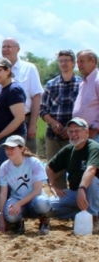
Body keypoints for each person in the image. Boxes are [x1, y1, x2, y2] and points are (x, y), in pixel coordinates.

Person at [46, 117, 99, 233]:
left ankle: (94, 218)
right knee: (47, 206)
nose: (73, 134)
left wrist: (81, 188)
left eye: (77, 131)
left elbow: (91, 170)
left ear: (87, 132)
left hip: (92, 193)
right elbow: (49, 167)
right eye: (70, 131)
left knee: (93, 180)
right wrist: (52, 185)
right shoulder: (69, 150)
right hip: (76, 193)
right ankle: (81, 213)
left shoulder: (93, 147)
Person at [0, 38, 44, 153]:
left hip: (23, 122)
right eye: (3, 47)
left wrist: (32, 125)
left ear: (18, 49)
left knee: (25, 158)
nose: (5, 49)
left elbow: (36, 97)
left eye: (9, 46)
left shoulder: (29, 68)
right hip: (1, 125)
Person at [40, 50, 80, 190]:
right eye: (61, 60)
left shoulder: (81, 84)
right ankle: (61, 202)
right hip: (53, 135)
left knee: (77, 169)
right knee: (56, 170)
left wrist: (70, 128)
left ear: (74, 63)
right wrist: (53, 122)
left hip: (75, 134)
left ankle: (77, 201)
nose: (63, 63)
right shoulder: (51, 84)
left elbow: (84, 111)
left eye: (66, 60)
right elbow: (43, 110)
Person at [0, 135, 51, 234]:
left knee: (43, 203)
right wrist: (1, 217)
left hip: (34, 199)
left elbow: (37, 190)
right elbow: (3, 194)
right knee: (9, 214)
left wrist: (19, 204)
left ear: (22, 148)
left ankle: (44, 221)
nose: (9, 151)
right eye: (7, 148)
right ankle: (18, 222)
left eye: (12, 148)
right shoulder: (4, 167)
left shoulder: (34, 162)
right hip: (17, 198)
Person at [0, 57, 27, 164]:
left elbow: (19, 118)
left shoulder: (13, 89)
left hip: (10, 141)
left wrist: (0, 135)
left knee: (7, 173)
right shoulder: (3, 90)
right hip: (1, 139)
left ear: (8, 70)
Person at [73, 50, 99, 140]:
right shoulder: (83, 82)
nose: (79, 65)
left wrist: (95, 129)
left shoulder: (97, 80)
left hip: (95, 134)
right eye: (78, 62)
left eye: (82, 61)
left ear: (92, 61)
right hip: (82, 133)